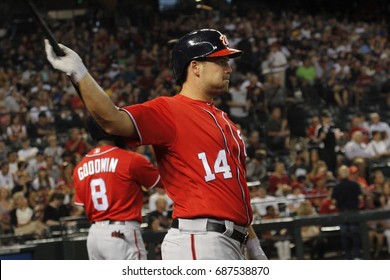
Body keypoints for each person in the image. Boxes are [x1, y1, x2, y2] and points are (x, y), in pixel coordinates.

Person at [45, 28, 267, 260]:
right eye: (220, 61)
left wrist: (253, 245)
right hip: (200, 240)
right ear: (195, 67)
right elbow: (112, 119)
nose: (228, 68)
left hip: (231, 241)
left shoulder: (226, 122)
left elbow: (233, 194)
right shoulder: (168, 110)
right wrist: (79, 73)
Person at [73, 117, 163, 260]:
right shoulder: (130, 159)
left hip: (94, 235)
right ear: (112, 128)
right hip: (120, 230)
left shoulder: (80, 167)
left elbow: (82, 205)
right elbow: (163, 182)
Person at [331, 165, 363, 259]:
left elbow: (333, 202)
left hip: (344, 213)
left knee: (345, 234)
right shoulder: (355, 185)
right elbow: (360, 199)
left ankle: (348, 255)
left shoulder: (337, 187)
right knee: (354, 233)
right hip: (353, 212)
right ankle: (356, 255)